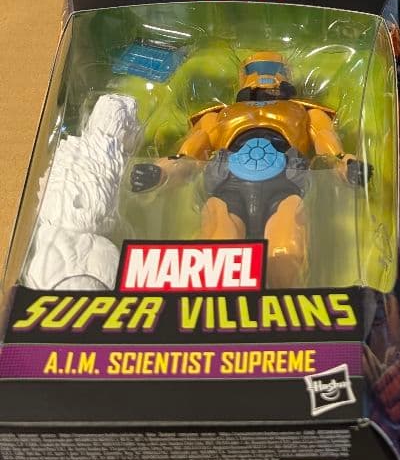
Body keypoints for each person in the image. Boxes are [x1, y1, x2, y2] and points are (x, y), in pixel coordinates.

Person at [130, 52, 370, 286]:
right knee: (219, 247)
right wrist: (160, 173)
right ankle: (218, 303)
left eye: (273, 69)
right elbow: (188, 155)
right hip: (228, 187)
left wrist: (347, 166)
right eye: (257, 69)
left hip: (286, 185)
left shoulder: (306, 112)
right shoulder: (220, 115)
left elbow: (329, 147)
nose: (265, 76)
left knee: (286, 250)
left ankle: (282, 303)